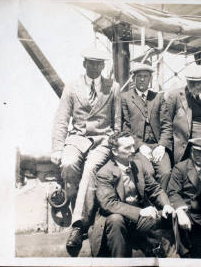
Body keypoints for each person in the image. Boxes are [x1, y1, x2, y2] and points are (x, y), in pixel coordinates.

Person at [50, 48, 121, 255]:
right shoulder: (71, 87)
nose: (95, 67)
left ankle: (78, 226)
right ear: (84, 64)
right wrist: (57, 148)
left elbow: (117, 123)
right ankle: (76, 214)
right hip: (78, 138)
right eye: (91, 63)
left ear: (103, 66)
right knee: (69, 163)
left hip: (102, 140)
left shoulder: (113, 87)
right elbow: (62, 119)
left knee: (90, 168)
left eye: (99, 63)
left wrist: (114, 143)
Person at [89, 131, 175, 257]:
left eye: (133, 146)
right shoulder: (104, 173)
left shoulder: (137, 165)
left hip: (137, 222)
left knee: (170, 215)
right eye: (127, 147)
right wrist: (140, 212)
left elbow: (154, 189)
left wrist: (166, 204)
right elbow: (109, 204)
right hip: (117, 223)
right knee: (115, 219)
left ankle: (174, 260)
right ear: (115, 151)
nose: (133, 150)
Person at [121, 63, 173, 191]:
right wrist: (140, 146)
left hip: (157, 145)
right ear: (133, 79)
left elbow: (167, 125)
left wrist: (161, 146)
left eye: (145, 76)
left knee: (166, 172)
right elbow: (125, 128)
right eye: (139, 76)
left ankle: (162, 205)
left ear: (150, 79)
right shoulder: (125, 98)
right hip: (139, 147)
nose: (142, 79)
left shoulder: (158, 97)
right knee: (148, 172)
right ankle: (148, 205)